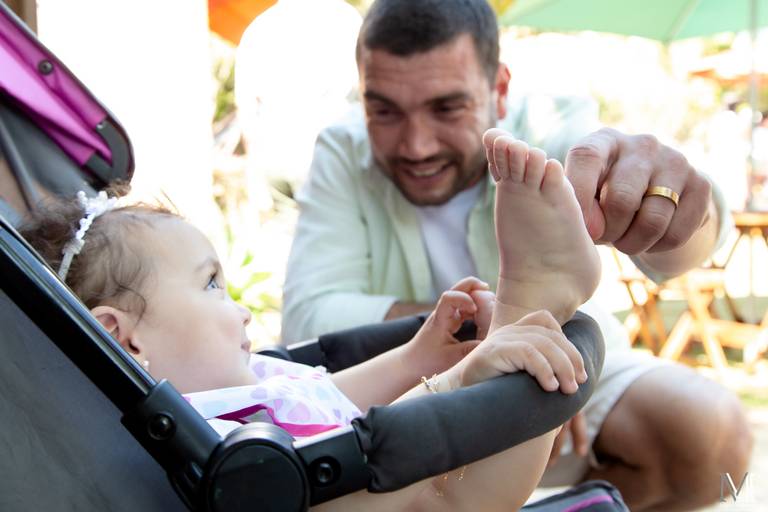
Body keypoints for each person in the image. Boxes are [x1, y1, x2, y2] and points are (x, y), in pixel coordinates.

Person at [281, 0, 753, 509]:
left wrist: (683, 208)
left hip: (570, 366)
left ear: (500, 90)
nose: (416, 145)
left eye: (446, 107)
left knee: (710, 437)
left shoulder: (552, 128)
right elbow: (307, 320)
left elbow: (679, 250)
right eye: (384, 111)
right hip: (404, 384)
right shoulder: (341, 151)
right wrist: (498, 337)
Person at [20, 164, 599, 510]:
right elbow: (340, 453)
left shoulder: (243, 386)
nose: (242, 312)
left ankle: (533, 307)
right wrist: (459, 381)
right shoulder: (191, 436)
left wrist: (417, 356)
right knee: (442, 496)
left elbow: (327, 396)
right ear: (125, 342)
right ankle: (532, 296)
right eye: (211, 285)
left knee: (470, 461)